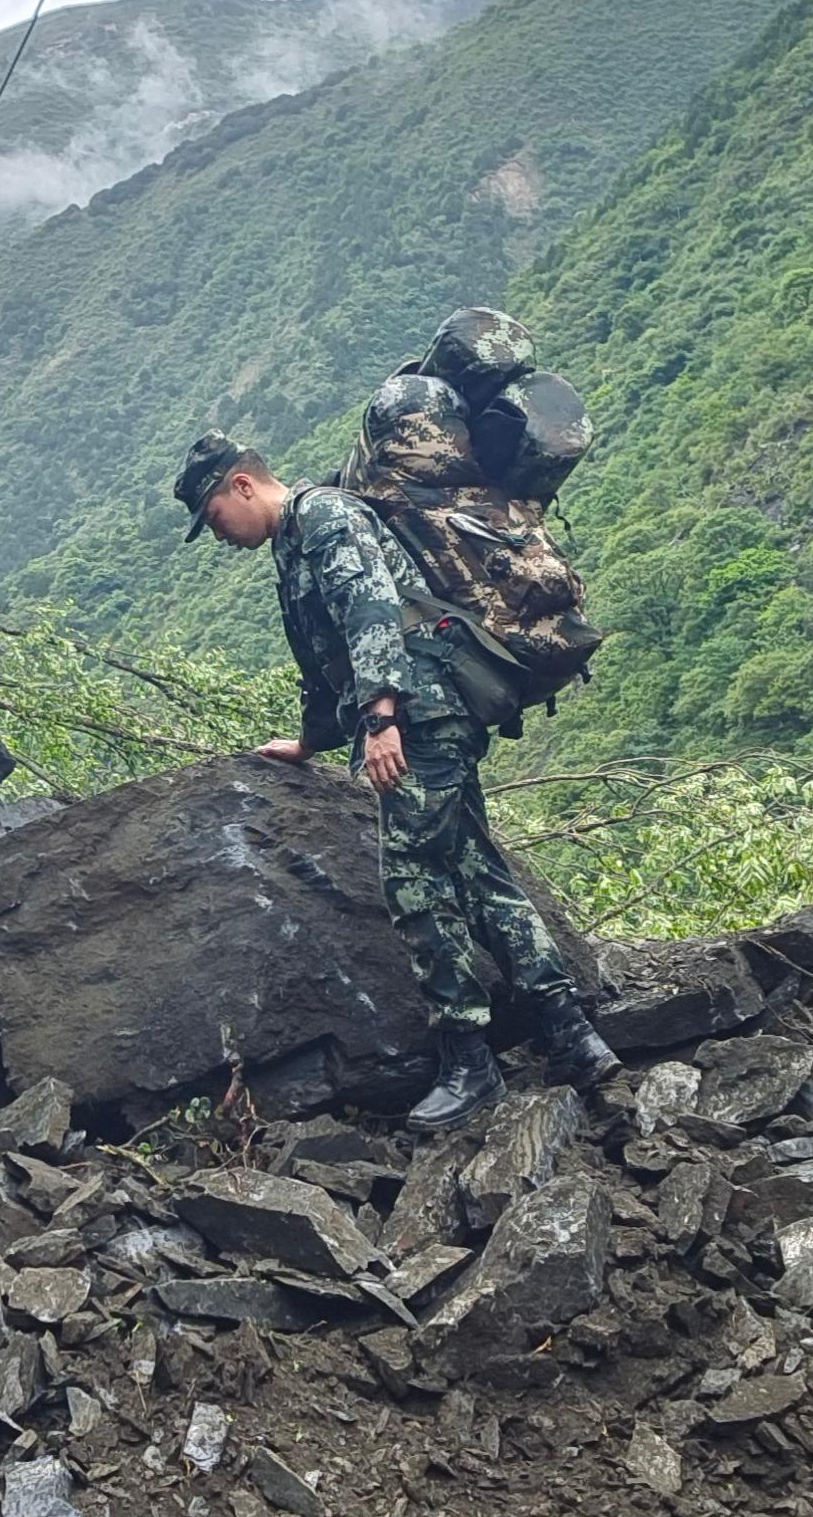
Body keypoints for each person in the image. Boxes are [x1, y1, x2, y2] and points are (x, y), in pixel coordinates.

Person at [175, 429, 620, 1129]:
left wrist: (382, 718)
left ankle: (469, 1060)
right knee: (475, 869)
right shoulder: (296, 542)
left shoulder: (323, 516)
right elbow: (326, 655)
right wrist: (313, 740)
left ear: (240, 485)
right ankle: (573, 1035)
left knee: (413, 882)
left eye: (214, 517)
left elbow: (372, 610)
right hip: (422, 711)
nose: (219, 535)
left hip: (418, 715)